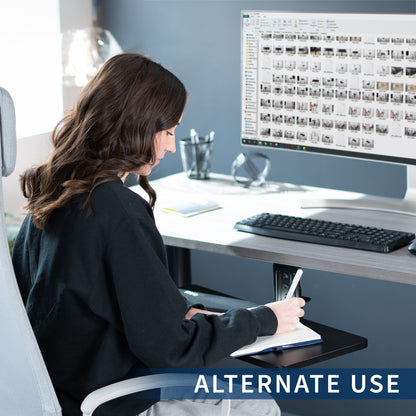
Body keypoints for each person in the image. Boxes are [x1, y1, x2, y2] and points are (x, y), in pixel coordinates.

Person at [12, 52, 305, 416]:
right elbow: (172, 350)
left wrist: (178, 309)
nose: (170, 145)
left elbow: (91, 295)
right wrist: (265, 319)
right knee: (255, 402)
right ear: (134, 125)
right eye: (167, 131)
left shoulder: (55, 190)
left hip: (58, 391)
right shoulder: (117, 210)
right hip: (105, 401)